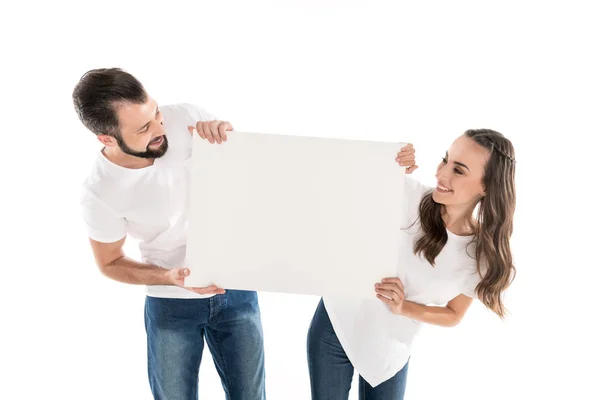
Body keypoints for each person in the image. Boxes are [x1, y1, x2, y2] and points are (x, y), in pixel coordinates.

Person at [72, 68, 265, 400]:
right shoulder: (100, 192)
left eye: (156, 112)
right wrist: (170, 277)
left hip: (236, 289)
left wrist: (230, 141)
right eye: (144, 128)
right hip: (171, 305)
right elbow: (110, 262)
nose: (160, 128)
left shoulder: (187, 118)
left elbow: (250, 181)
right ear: (107, 138)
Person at [307, 130, 516, 399]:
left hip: (390, 351)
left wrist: (403, 307)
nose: (442, 173)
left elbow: (453, 313)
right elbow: (339, 181)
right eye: (445, 160)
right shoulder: (406, 195)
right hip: (336, 325)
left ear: (486, 186)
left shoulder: (478, 256)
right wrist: (386, 163)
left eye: (459, 170)